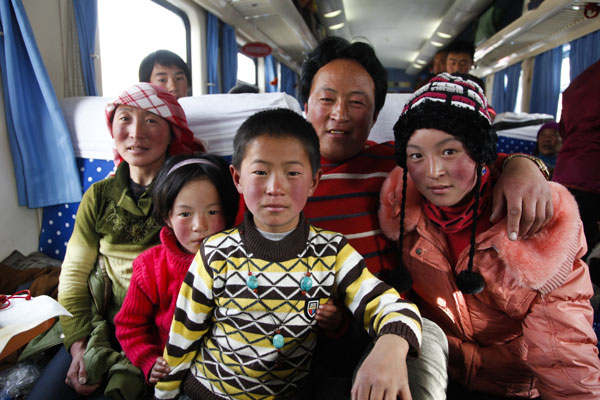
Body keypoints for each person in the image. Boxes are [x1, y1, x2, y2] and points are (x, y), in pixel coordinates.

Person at [297, 36, 554, 400]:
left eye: (357, 103)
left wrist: (522, 166)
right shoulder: (277, 176)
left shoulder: (399, 164)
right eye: (327, 99)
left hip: (393, 323)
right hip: (306, 328)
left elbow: (466, 165)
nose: (340, 113)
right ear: (305, 103)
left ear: (375, 116)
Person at [154, 108, 423, 400]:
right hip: (208, 393)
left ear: (314, 182)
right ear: (237, 178)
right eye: (260, 172)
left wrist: (391, 345)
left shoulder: (333, 253)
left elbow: (395, 308)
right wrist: (164, 394)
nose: (275, 188)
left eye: (292, 173)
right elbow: (183, 335)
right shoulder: (215, 253)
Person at [379, 72, 600, 399]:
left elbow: (561, 348)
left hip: (513, 383)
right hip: (442, 371)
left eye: (450, 151)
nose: (433, 171)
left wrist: (524, 164)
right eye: (417, 155)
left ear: (480, 151)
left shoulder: (537, 221)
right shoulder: (400, 209)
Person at [28, 83, 205, 400]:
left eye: (151, 120)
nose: (136, 133)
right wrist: (79, 345)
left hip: (165, 332)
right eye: (125, 119)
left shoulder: (191, 193)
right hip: (102, 326)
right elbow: (73, 274)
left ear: (172, 132)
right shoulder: (99, 196)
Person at [114, 153, 239, 385]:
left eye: (213, 212)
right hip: (174, 371)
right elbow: (129, 326)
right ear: (167, 217)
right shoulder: (149, 267)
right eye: (185, 214)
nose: (199, 226)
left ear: (228, 213)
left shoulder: (241, 261)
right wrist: (148, 360)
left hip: (225, 372)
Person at [553, 59, 600, 262]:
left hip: (567, 170)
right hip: (593, 175)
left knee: (567, 244)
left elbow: (563, 129)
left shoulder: (581, 81)